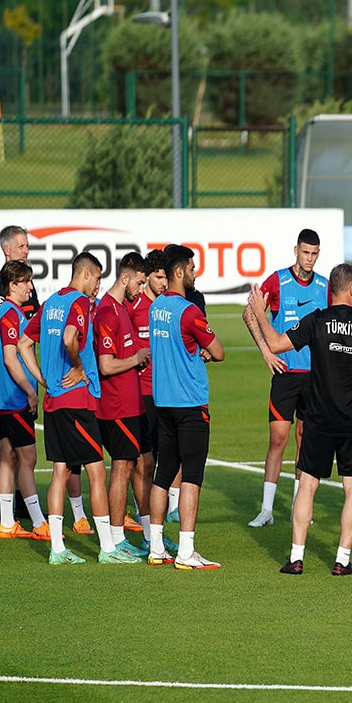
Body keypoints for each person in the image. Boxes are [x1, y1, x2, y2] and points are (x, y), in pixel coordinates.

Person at [250, 262, 352, 576]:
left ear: (331, 292)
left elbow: (277, 344)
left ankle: (296, 558)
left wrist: (261, 314)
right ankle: (342, 560)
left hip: (317, 418)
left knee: (307, 485)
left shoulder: (317, 320)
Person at [18, 252, 132, 565]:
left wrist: (42, 378)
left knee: (59, 472)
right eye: (97, 278)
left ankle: (57, 549)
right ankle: (108, 548)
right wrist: (80, 365)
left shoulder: (51, 302)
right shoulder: (79, 303)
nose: (98, 285)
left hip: (54, 401)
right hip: (76, 401)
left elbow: (24, 344)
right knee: (96, 471)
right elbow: (71, 337)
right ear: (85, 274)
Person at [145, 244, 225, 570]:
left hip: (162, 402)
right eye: (192, 268)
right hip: (190, 403)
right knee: (191, 475)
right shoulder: (190, 312)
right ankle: (186, 551)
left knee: (163, 473)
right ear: (180, 271)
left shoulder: (155, 308)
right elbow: (217, 351)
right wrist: (202, 351)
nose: (194, 274)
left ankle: (155, 547)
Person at [245, 229, 328, 528]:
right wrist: (266, 351)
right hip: (285, 374)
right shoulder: (276, 281)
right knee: (278, 440)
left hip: (314, 377)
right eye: (306, 252)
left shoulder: (325, 286)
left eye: (315, 254)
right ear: (296, 250)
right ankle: (266, 510)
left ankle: (299, 507)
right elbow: (249, 314)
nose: (310, 258)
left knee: (305, 441)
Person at [0, 260, 48, 541]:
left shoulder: (7, 314)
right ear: (13, 285)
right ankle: (38, 521)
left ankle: (7, 522)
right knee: (28, 458)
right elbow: (11, 359)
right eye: (26, 282)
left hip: (5, 400)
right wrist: (31, 391)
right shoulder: (10, 315)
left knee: (9, 458)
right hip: (15, 400)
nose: (31, 287)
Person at [94, 252, 152, 559]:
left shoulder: (121, 309)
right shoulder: (106, 312)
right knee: (121, 467)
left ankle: (147, 535)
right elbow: (105, 365)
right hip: (116, 407)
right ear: (125, 278)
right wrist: (136, 358)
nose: (141, 290)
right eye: (140, 283)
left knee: (139, 465)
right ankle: (115, 542)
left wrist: (135, 360)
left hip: (132, 404)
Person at [127, 249, 180, 535]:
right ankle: (141, 514)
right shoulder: (133, 309)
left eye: (165, 277)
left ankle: (157, 517)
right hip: (141, 395)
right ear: (147, 278)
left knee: (164, 459)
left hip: (165, 394)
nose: (163, 282)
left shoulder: (166, 309)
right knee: (142, 461)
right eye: (158, 277)